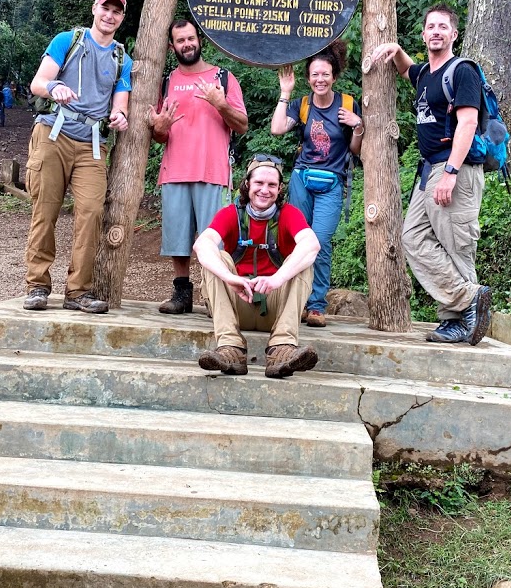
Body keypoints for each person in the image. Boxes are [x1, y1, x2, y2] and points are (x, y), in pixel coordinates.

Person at [369, 3, 492, 345]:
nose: (436, 31)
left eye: (443, 27)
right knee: (413, 237)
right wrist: (396, 51)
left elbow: (467, 122)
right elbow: (407, 70)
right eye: (430, 27)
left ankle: (459, 321)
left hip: (455, 167)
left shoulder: (462, 71)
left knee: (457, 245)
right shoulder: (425, 74)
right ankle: (468, 300)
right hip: (429, 170)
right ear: (423, 34)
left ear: (454, 34)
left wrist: (451, 171)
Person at [22, 0, 132, 313]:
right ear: (94, 8)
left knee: (92, 213)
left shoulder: (122, 58)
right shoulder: (67, 40)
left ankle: (78, 292)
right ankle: (37, 285)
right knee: (45, 210)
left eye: (116, 12)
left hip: (92, 143)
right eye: (105, 8)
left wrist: (120, 116)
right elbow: (38, 82)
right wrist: (55, 87)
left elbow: (121, 102)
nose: (109, 16)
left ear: (122, 18)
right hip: (53, 133)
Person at [192, 156, 320, 378]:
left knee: (301, 262)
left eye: (272, 185)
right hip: (236, 304)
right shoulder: (231, 213)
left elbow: (311, 244)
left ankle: (282, 349)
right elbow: (202, 244)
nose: (265, 190)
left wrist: (276, 279)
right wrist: (230, 278)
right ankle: (230, 349)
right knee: (216, 258)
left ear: (280, 189)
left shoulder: (289, 214)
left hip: (276, 307)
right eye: (259, 183)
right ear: (247, 184)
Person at [151, 19, 248, 314]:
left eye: (191, 38)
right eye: (180, 41)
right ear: (172, 47)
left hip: (214, 170)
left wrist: (221, 104)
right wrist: (161, 128)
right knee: (177, 240)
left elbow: (242, 125)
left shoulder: (223, 78)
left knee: (215, 240)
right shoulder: (166, 82)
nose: (187, 44)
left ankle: (214, 296)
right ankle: (182, 294)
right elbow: (158, 134)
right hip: (175, 170)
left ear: (199, 39)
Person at [271, 41, 363, 328]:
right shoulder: (303, 105)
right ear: (308, 78)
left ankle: (316, 305)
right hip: (302, 179)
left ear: (334, 76)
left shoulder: (347, 105)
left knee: (319, 243)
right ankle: (294, 301)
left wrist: (358, 125)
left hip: (332, 182)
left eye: (325, 74)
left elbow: (356, 150)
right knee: (298, 241)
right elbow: (276, 129)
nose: (319, 80)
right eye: (314, 75)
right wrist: (285, 94)